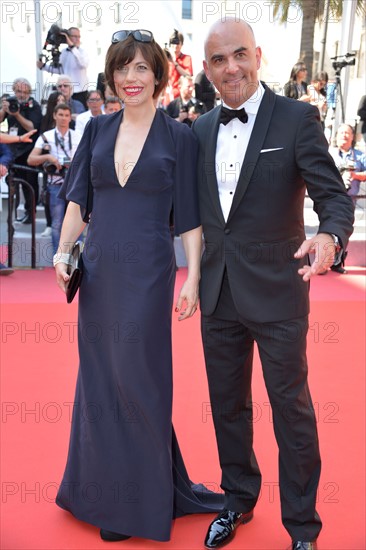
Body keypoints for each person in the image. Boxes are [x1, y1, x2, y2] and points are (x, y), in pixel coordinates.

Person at [53, 28, 223, 543]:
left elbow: (189, 218)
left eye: (141, 68)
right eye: (123, 68)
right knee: (101, 381)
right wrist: (62, 253)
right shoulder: (97, 132)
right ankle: (104, 496)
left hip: (148, 277)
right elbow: (80, 202)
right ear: (111, 76)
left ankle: (141, 499)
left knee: (140, 382)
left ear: (158, 76)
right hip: (101, 275)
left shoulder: (180, 137)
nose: (131, 78)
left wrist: (192, 277)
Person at [192, 18, 354, 550]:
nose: (231, 67)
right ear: (209, 69)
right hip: (219, 294)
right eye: (219, 60)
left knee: (292, 410)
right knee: (226, 407)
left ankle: (303, 528)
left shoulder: (296, 119)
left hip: (280, 293)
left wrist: (330, 236)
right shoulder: (199, 130)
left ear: (257, 56)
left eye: (239, 55)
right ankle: (237, 499)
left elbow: (332, 196)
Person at [27, 104, 81, 254]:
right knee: (57, 223)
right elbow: (31, 159)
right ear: (54, 116)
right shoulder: (46, 136)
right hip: (55, 183)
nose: (63, 118)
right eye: (61, 115)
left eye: (66, 115)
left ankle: (78, 260)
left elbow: (88, 160)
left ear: (70, 118)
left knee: (77, 222)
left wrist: (72, 164)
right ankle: (60, 258)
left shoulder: (78, 136)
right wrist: (48, 157)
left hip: (75, 184)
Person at [0, 78, 42, 224]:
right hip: (13, 150)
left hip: (29, 150)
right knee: (14, 183)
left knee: (29, 183)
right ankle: (17, 213)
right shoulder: (11, 103)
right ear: (14, 91)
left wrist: (17, 114)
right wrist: (3, 110)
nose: (21, 94)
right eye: (18, 91)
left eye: (25, 92)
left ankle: (31, 213)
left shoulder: (33, 106)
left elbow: (32, 127)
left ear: (29, 92)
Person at [37, 27, 89, 108]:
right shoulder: (64, 52)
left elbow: (83, 64)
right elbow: (60, 70)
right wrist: (44, 67)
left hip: (80, 92)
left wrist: (73, 48)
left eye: (78, 36)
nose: (77, 39)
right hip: (65, 91)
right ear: (68, 37)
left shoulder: (82, 52)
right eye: (74, 36)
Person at [165, 29, 193, 102]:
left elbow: (188, 75)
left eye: (177, 42)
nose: (175, 45)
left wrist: (174, 62)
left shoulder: (186, 58)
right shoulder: (166, 59)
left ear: (182, 44)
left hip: (181, 97)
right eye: (173, 42)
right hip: (168, 97)